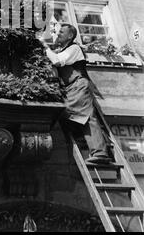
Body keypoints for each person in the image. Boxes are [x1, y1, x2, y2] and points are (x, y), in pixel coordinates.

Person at [37, 23, 113, 165]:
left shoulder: (74, 48)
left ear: (70, 36)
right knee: (67, 115)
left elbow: (57, 61)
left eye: (61, 32)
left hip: (78, 85)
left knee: (87, 116)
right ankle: (86, 142)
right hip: (69, 88)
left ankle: (101, 152)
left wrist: (44, 46)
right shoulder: (63, 50)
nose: (58, 34)